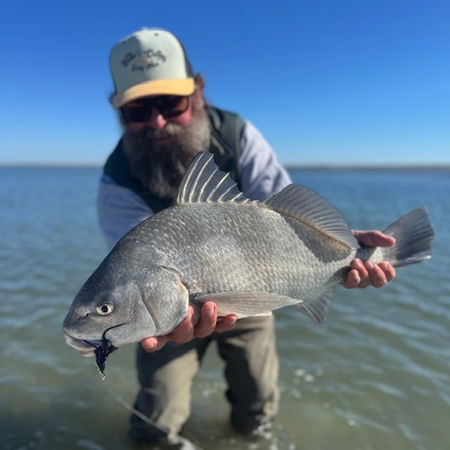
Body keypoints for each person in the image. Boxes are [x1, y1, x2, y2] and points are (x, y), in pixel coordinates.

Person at [98, 28, 396, 446]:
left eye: (171, 103)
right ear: (120, 113)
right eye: (138, 111)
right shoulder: (117, 182)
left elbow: (286, 212)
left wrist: (343, 246)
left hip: (256, 290)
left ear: (197, 92)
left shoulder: (238, 136)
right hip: (171, 309)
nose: (158, 122)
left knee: (256, 404)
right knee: (154, 417)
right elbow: (133, 273)